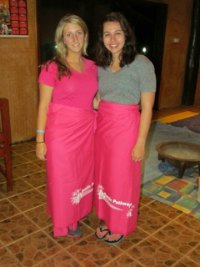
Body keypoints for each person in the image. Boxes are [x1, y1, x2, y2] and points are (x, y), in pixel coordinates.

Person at [94, 12, 156, 244]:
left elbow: (147, 109)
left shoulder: (142, 64)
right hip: (103, 128)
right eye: (107, 34)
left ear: (126, 35)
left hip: (127, 128)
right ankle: (107, 217)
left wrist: (140, 142)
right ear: (101, 38)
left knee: (122, 178)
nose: (112, 39)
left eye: (117, 33)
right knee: (105, 175)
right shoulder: (101, 65)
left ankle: (120, 223)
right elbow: (99, 98)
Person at [36, 14, 98, 238]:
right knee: (62, 178)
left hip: (86, 131)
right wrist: (40, 139)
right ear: (61, 38)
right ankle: (63, 222)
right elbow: (43, 105)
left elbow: (93, 98)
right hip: (61, 132)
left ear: (85, 35)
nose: (74, 38)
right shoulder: (51, 67)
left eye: (78, 32)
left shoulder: (92, 66)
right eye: (68, 34)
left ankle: (76, 214)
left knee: (81, 176)